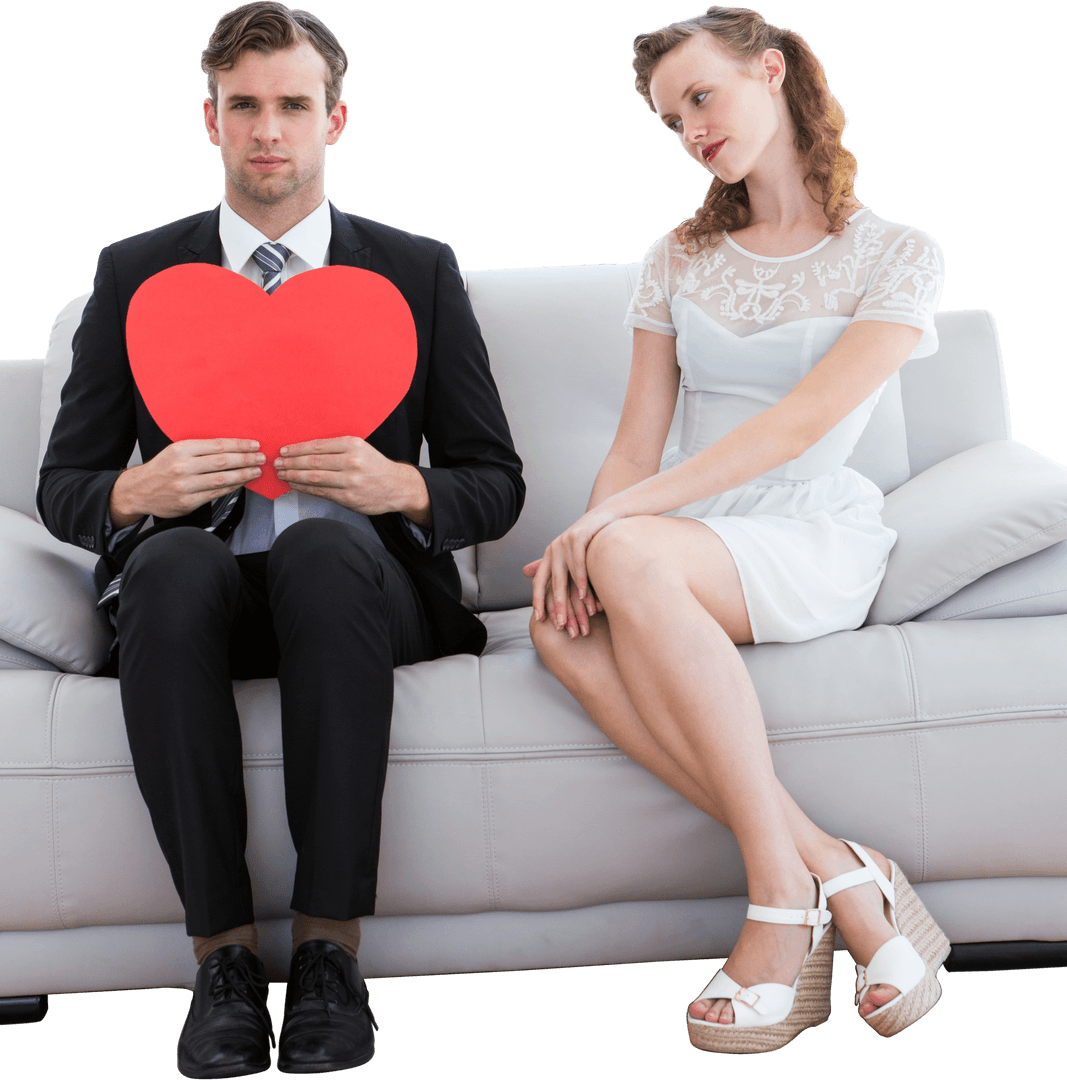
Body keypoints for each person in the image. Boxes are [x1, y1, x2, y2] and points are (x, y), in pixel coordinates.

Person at [36, 2, 524, 1075]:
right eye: (244, 106)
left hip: (358, 590)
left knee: (323, 548)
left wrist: (399, 484)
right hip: (195, 594)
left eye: (292, 106)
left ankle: (327, 957)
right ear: (207, 119)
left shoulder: (415, 269)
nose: (269, 130)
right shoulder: (133, 275)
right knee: (167, 563)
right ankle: (218, 962)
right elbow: (63, 487)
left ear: (333, 120)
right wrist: (136, 490)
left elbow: (496, 485)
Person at [526, 5, 948, 1056]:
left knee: (616, 553)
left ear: (770, 72)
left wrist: (615, 525)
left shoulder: (897, 254)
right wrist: (592, 530)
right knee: (556, 624)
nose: (691, 130)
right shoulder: (673, 259)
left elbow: (798, 425)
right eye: (671, 120)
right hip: (680, 532)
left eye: (701, 97)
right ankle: (844, 874)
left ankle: (776, 900)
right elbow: (635, 443)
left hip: (806, 532)